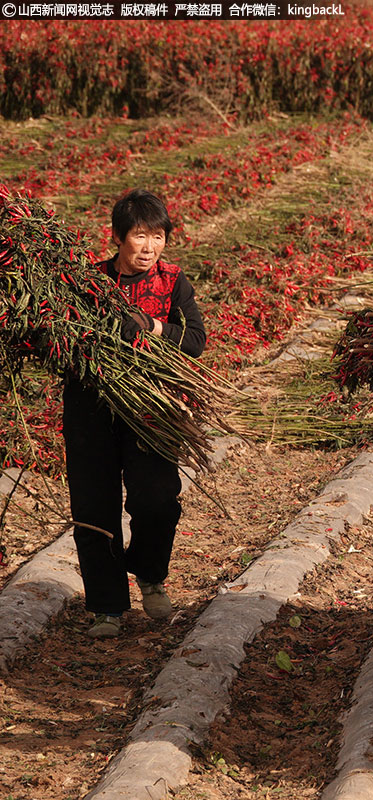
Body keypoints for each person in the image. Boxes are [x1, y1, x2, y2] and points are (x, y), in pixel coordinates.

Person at [65, 188, 207, 638]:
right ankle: (106, 607)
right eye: (140, 237)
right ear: (119, 237)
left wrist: (151, 326)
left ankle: (148, 573)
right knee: (93, 505)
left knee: (157, 498)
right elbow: (65, 340)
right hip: (92, 407)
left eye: (158, 237)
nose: (149, 247)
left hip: (151, 407)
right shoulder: (87, 283)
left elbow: (196, 339)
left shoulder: (173, 282)